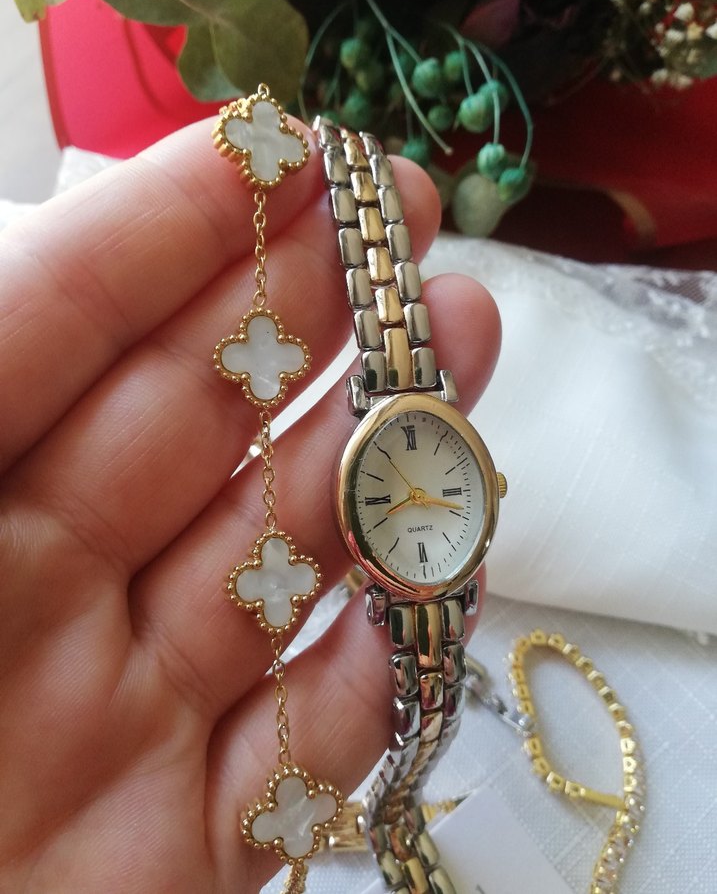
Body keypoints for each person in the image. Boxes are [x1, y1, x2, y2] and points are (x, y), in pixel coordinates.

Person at [0, 116, 501, 892]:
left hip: (429, 564)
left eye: (435, 493)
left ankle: (397, 804)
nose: (416, 498)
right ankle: (397, 806)